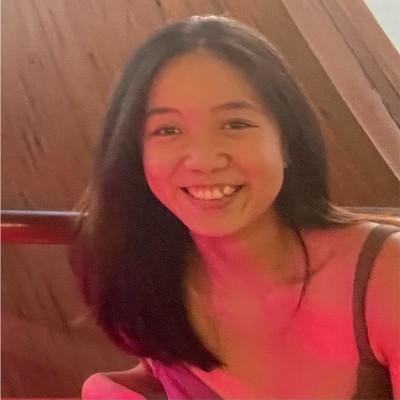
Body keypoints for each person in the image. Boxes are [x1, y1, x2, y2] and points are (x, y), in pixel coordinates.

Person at [72, 15, 400, 399]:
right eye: (168, 130)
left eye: (236, 124)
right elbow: (166, 374)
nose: (204, 160)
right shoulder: (148, 280)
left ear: (287, 142)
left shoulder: (384, 276)